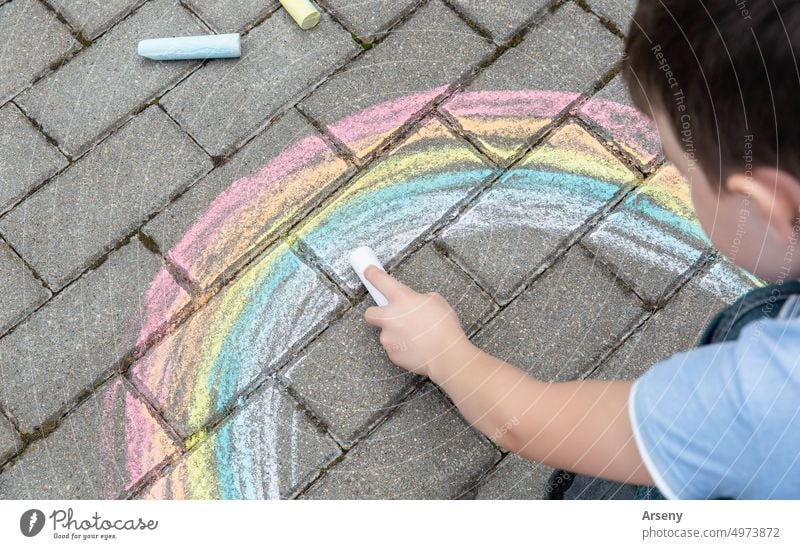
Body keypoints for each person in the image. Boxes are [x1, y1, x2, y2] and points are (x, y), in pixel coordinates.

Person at [360, 0, 800, 499]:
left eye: (683, 170)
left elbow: (522, 424)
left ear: (766, 207)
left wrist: (444, 353)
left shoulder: (765, 400)